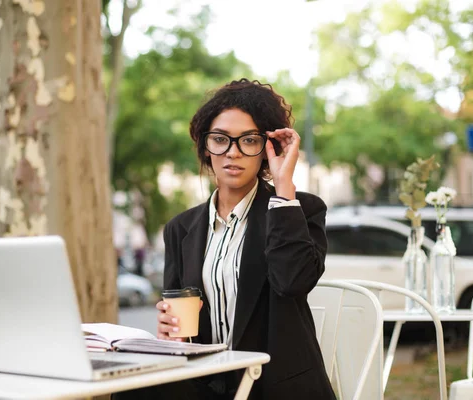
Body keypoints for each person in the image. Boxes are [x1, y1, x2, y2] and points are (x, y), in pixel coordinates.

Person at [113, 79, 336, 399]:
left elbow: (293, 282)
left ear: (267, 149)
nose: (232, 152)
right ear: (206, 146)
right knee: (126, 390)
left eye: (248, 140)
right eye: (220, 139)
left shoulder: (300, 210)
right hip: (207, 382)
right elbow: (182, 327)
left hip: (272, 385)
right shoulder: (181, 228)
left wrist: (284, 187)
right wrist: (170, 333)